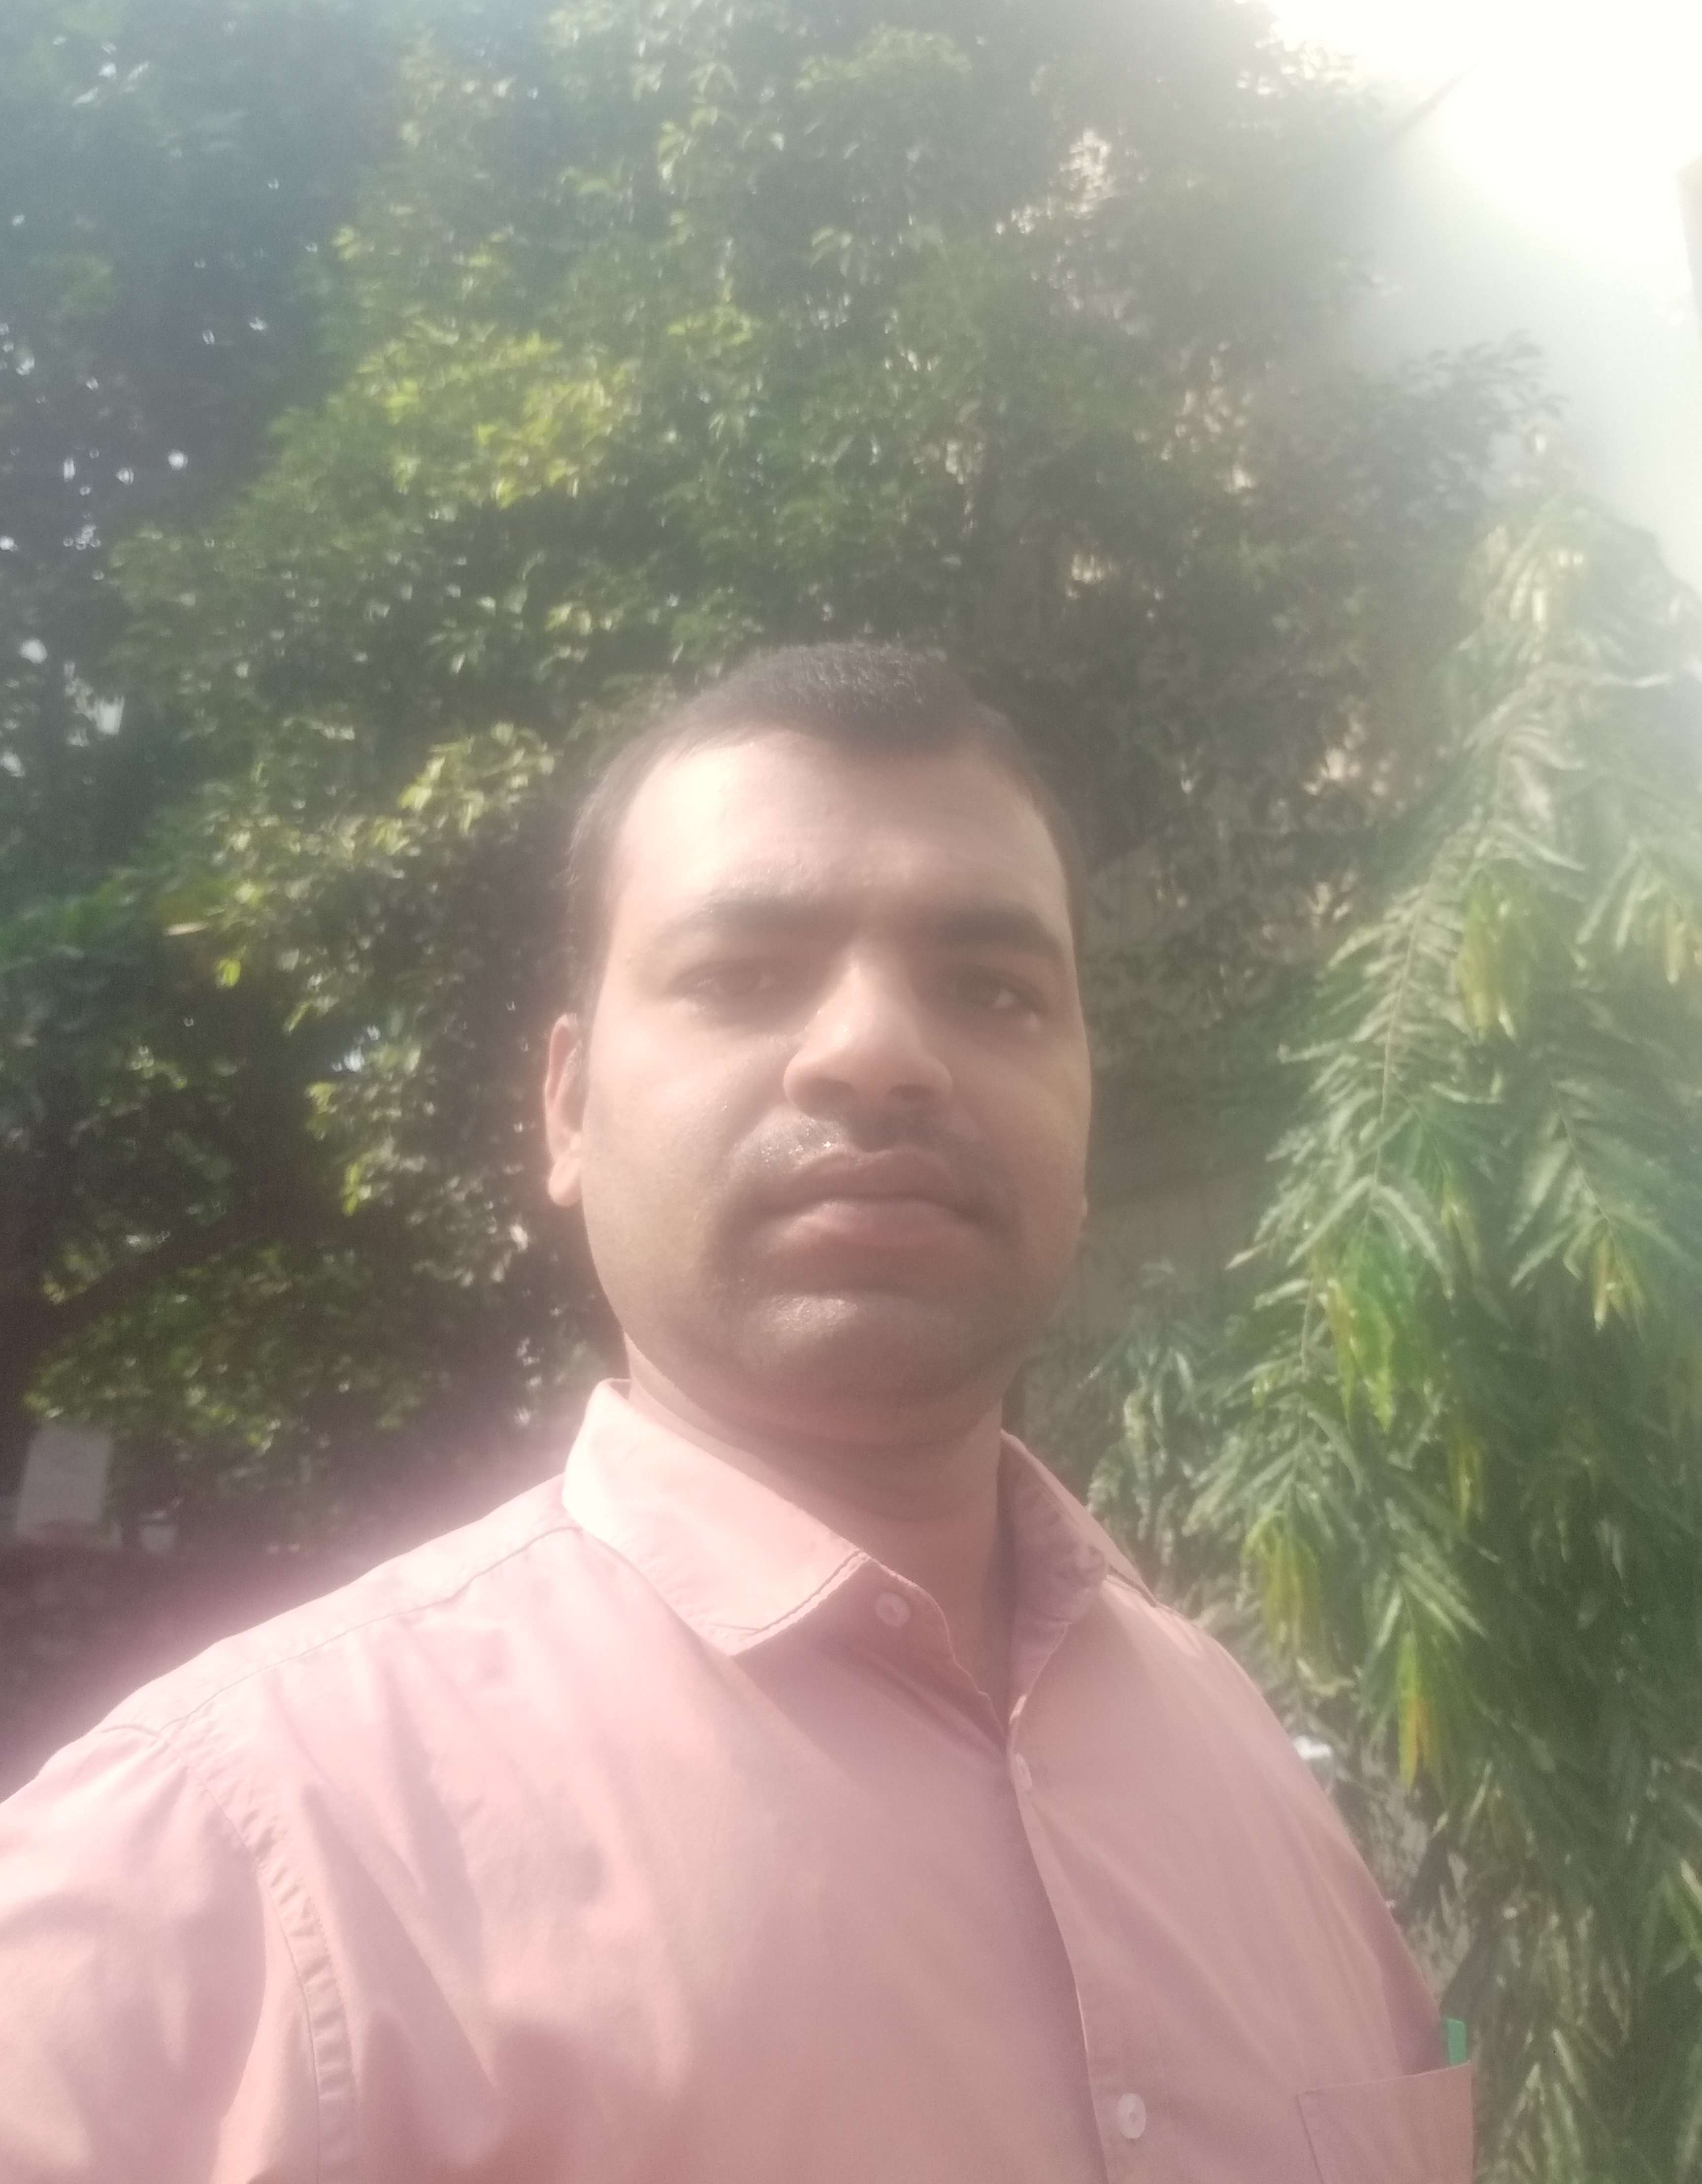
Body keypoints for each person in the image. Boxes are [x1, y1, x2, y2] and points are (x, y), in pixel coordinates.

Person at [0, 644, 1472, 2183]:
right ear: (568, 1107)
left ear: (1086, 1109)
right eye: (744, 975)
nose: (879, 1055)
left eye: (995, 991)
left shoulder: (1246, 1765)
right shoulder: (227, 1866)